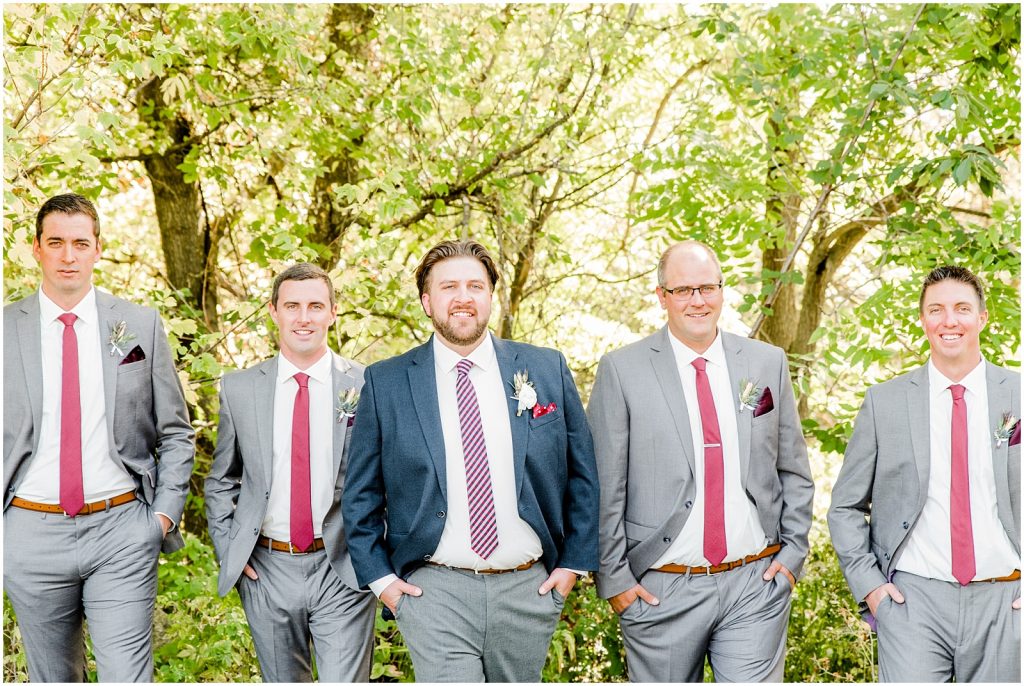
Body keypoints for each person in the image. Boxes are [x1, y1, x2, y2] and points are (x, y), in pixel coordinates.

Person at [342, 238, 599, 682]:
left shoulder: (546, 368)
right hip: (434, 588)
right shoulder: (386, 383)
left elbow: (582, 473)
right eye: (449, 287)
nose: (463, 297)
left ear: (490, 297)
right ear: (427, 301)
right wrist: (383, 583)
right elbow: (360, 493)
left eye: (475, 286)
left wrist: (572, 566)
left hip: (528, 587)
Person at [588, 240, 814, 682]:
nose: (698, 300)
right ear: (661, 296)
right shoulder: (623, 370)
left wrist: (791, 555)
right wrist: (615, 580)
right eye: (683, 290)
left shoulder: (765, 363)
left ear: (722, 290)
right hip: (661, 587)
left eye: (707, 288)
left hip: (755, 581)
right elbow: (604, 485)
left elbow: (793, 467)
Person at [3, 192, 195, 682]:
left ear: (98, 249)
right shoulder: (5, 329)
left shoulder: (140, 325)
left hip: (121, 530)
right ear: (36, 248)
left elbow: (175, 430)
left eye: (80, 243)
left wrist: (163, 516)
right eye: (57, 242)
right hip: (28, 531)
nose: (69, 255)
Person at [828, 265, 1020, 682]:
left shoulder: (1018, 395)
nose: (949, 321)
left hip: (1008, 601)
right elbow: (844, 507)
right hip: (913, 603)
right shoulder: (885, 403)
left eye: (962, 308)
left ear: (983, 318)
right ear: (923, 319)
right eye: (936, 309)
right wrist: (872, 589)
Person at [205, 263, 375, 682]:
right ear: (273, 311)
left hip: (343, 564)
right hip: (267, 565)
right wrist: (230, 548)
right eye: (293, 306)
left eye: (316, 306)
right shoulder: (240, 388)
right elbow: (221, 479)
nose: (304, 317)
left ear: (333, 312)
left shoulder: (367, 384)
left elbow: (385, 477)